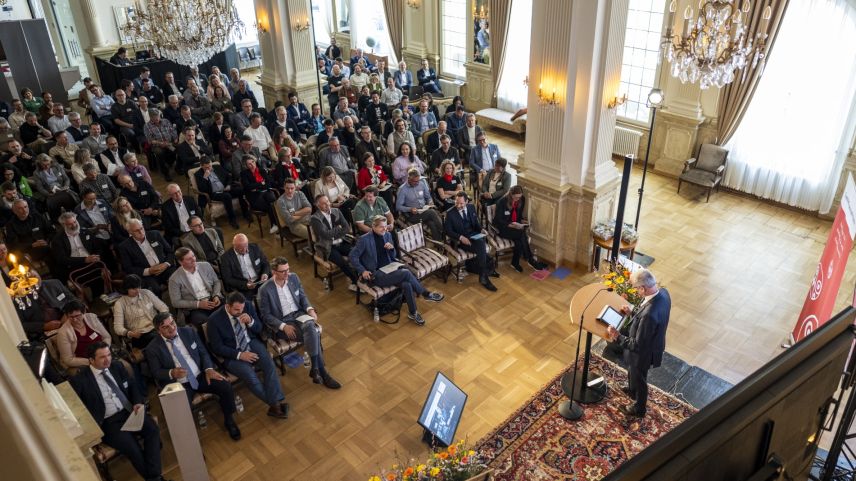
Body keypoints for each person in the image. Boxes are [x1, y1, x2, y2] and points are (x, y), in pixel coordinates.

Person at [70, 342, 166, 481]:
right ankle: (156, 477)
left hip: (129, 411)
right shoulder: (80, 380)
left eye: (109, 355)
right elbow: (77, 408)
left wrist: (138, 402)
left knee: (152, 430)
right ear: (91, 360)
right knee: (132, 448)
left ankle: (154, 477)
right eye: (102, 357)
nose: (107, 359)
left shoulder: (117, 366)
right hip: (108, 422)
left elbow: (132, 385)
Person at [145, 312, 241, 440]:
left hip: (201, 375)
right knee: (182, 410)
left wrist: (208, 369)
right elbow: (156, 372)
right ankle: (190, 441)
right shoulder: (152, 348)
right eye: (165, 327)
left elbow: (203, 353)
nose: (172, 328)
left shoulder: (188, 332)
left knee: (225, 386)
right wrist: (171, 372)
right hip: (179, 384)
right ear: (158, 330)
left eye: (172, 323)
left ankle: (229, 420)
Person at [257, 257, 341, 389]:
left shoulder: (293, 277)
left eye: (288, 269)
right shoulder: (264, 290)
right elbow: (266, 316)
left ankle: (315, 370)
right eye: (283, 271)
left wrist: (310, 309)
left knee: (310, 326)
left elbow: (302, 296)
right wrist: (283, 327)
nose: (287, 273)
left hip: (299, 315)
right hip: (283, 322)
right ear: (274, 272)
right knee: (314, 333)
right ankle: (322, 373)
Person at [207, 292, 289, 419]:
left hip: (251, 342)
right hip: (232, 354)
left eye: (242, 308)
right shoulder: (214, 320)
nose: (240, 311)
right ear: (227, 306)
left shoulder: (248, 307)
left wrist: (251, 321)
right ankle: (276, 404)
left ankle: (275, 406)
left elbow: (259, 328)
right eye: (236, 309)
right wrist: (240, 355)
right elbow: (217, 348)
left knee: (269, 365)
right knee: (251, 377)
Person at [350, 216, 444, 325]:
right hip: (376, 274)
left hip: (391, 268)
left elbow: (393, 255)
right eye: (381, 227)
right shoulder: (364, 240)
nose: (384, 229)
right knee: (406, 273)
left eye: (385, 227)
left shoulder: (388, 235)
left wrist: (391, 249)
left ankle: (413, 313)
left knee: (407, 284)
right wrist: (362, 271)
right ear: (373, 226)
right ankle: (425, 294)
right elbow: (352, 257)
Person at [605, 268, 671, 418]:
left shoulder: (649, 314)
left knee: (639, 377)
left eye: (636, 289)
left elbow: (637, 345)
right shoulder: (664, 294)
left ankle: (639, 408)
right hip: (653, 341)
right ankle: (632, 390)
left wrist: (617, 335)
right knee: (633, 372)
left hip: (643, 353)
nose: (635, 292)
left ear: (643, 288)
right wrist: (632, 313)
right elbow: (649, 321)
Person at [444, 192, 498, 291]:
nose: (458, 205)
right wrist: (461, 238)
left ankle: (482, 272)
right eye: (457, 203)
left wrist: (481, 229)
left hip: (474, 235)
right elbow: (448, 231)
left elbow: (476, 223)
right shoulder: (450, 213)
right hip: (461, 241)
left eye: (461, 203)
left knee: (481, 244)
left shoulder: (471, 207)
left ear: (467, 201)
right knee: (482, 246)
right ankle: (484, 277)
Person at [492, 185, 546, 272]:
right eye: (516, 197)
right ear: (511, 194)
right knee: (521, 234)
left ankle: (515, 263)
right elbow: (498, 220)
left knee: (519, 241)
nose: (518, 199)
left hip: (515, 227)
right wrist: (510, 224)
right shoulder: (502, 202)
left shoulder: (522, 200)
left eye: (519, 197)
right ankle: (530, 260)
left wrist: (522, 221)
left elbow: (518, 215)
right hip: (503, 228)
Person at [310, 194, 358, 289]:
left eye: (327, 201)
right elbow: (326, 235)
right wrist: (338, 228)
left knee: (356, 253)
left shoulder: (336, 211)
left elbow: (347, 228)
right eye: (323, 203)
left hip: (341, 241)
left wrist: (335, 232)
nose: (327, 205)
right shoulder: (315, 218)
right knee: (342, 262)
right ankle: (356, 281)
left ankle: (362, 274)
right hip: (327, 246)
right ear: (318, 206)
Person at [117, 218, 175, 295]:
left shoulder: (155, 234)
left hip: (165, 268)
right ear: (130, 232)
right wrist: (148, 271)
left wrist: (166, 264)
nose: (141, 232)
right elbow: (128, 268)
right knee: (154, 290)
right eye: (136, 230)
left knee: (179, 278)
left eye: (141, 228)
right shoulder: (125, 246)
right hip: (147, 276)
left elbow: (170, 252)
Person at [168, 247, 224, 326]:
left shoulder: (205, 265)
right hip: (195, 307)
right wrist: (198, 304)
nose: (194, 259)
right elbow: (175, 302)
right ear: (180, 262)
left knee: (230, 310)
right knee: (206, 323)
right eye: (189, 259)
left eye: (193, 256)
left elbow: (216, 282)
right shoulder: (174, 279)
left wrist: (216, 295)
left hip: (213, 298)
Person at [113, 274, 168, 349]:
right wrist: (129, 333)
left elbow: (163, 307)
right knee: (160, 341)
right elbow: (117, 327)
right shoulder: (120, 304)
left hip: (156, 327)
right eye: (133, 288)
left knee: (166, 335)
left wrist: (162, 320)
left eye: (139, 287)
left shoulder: (146, 293)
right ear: (126, 289)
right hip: (139, 334)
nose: (138, 290)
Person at [56, 299, 112, 370]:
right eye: (71, 317)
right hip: (85, 364)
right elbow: (68, 359)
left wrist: (105, 352)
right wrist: (92, 361)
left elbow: (107, 337)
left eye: (77, 316)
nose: (75, 320)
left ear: (84, 312)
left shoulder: (91, 318)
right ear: (67, 316)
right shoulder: (63, 332)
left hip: (103, 355)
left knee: (123, 367)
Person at [195, 157, 244, 229]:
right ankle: (232, 219)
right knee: (227, 196)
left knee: (240, 190)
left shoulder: (217, 167)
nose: (209, 168)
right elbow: (202, 189)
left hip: (225, 189)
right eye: (206, 167)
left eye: (210, 166)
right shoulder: (198, 174)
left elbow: (228, 176)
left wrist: (228, 185)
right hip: (214, 193)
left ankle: (245, 213)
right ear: (201, 166)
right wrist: (205, 177)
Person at [396, 168, 444, 240]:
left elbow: (428, 197)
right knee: (432, 213)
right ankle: (446, 232)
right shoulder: (402, 189)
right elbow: (398, 206)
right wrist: (410, 209)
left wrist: (430, 202)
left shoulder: (421, 183)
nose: (418, 183)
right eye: (415, 181)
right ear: (409, 179)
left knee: (431, 223)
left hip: (424, 210)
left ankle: (439, 242)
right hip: (413, 214)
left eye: (418, 180)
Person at [241, 156, 280, 234]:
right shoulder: (244, 174)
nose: (252, 165)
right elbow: (248, 187)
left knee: (273, 202)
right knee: (270, 206)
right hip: (254, 196)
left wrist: (256, 186)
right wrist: (261, 183)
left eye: (253, 162)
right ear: (246, 166)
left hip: (266, 192)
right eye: (249, 164)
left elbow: (268, 184)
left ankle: (277, 224)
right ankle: (276, 224)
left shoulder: (262, 170)